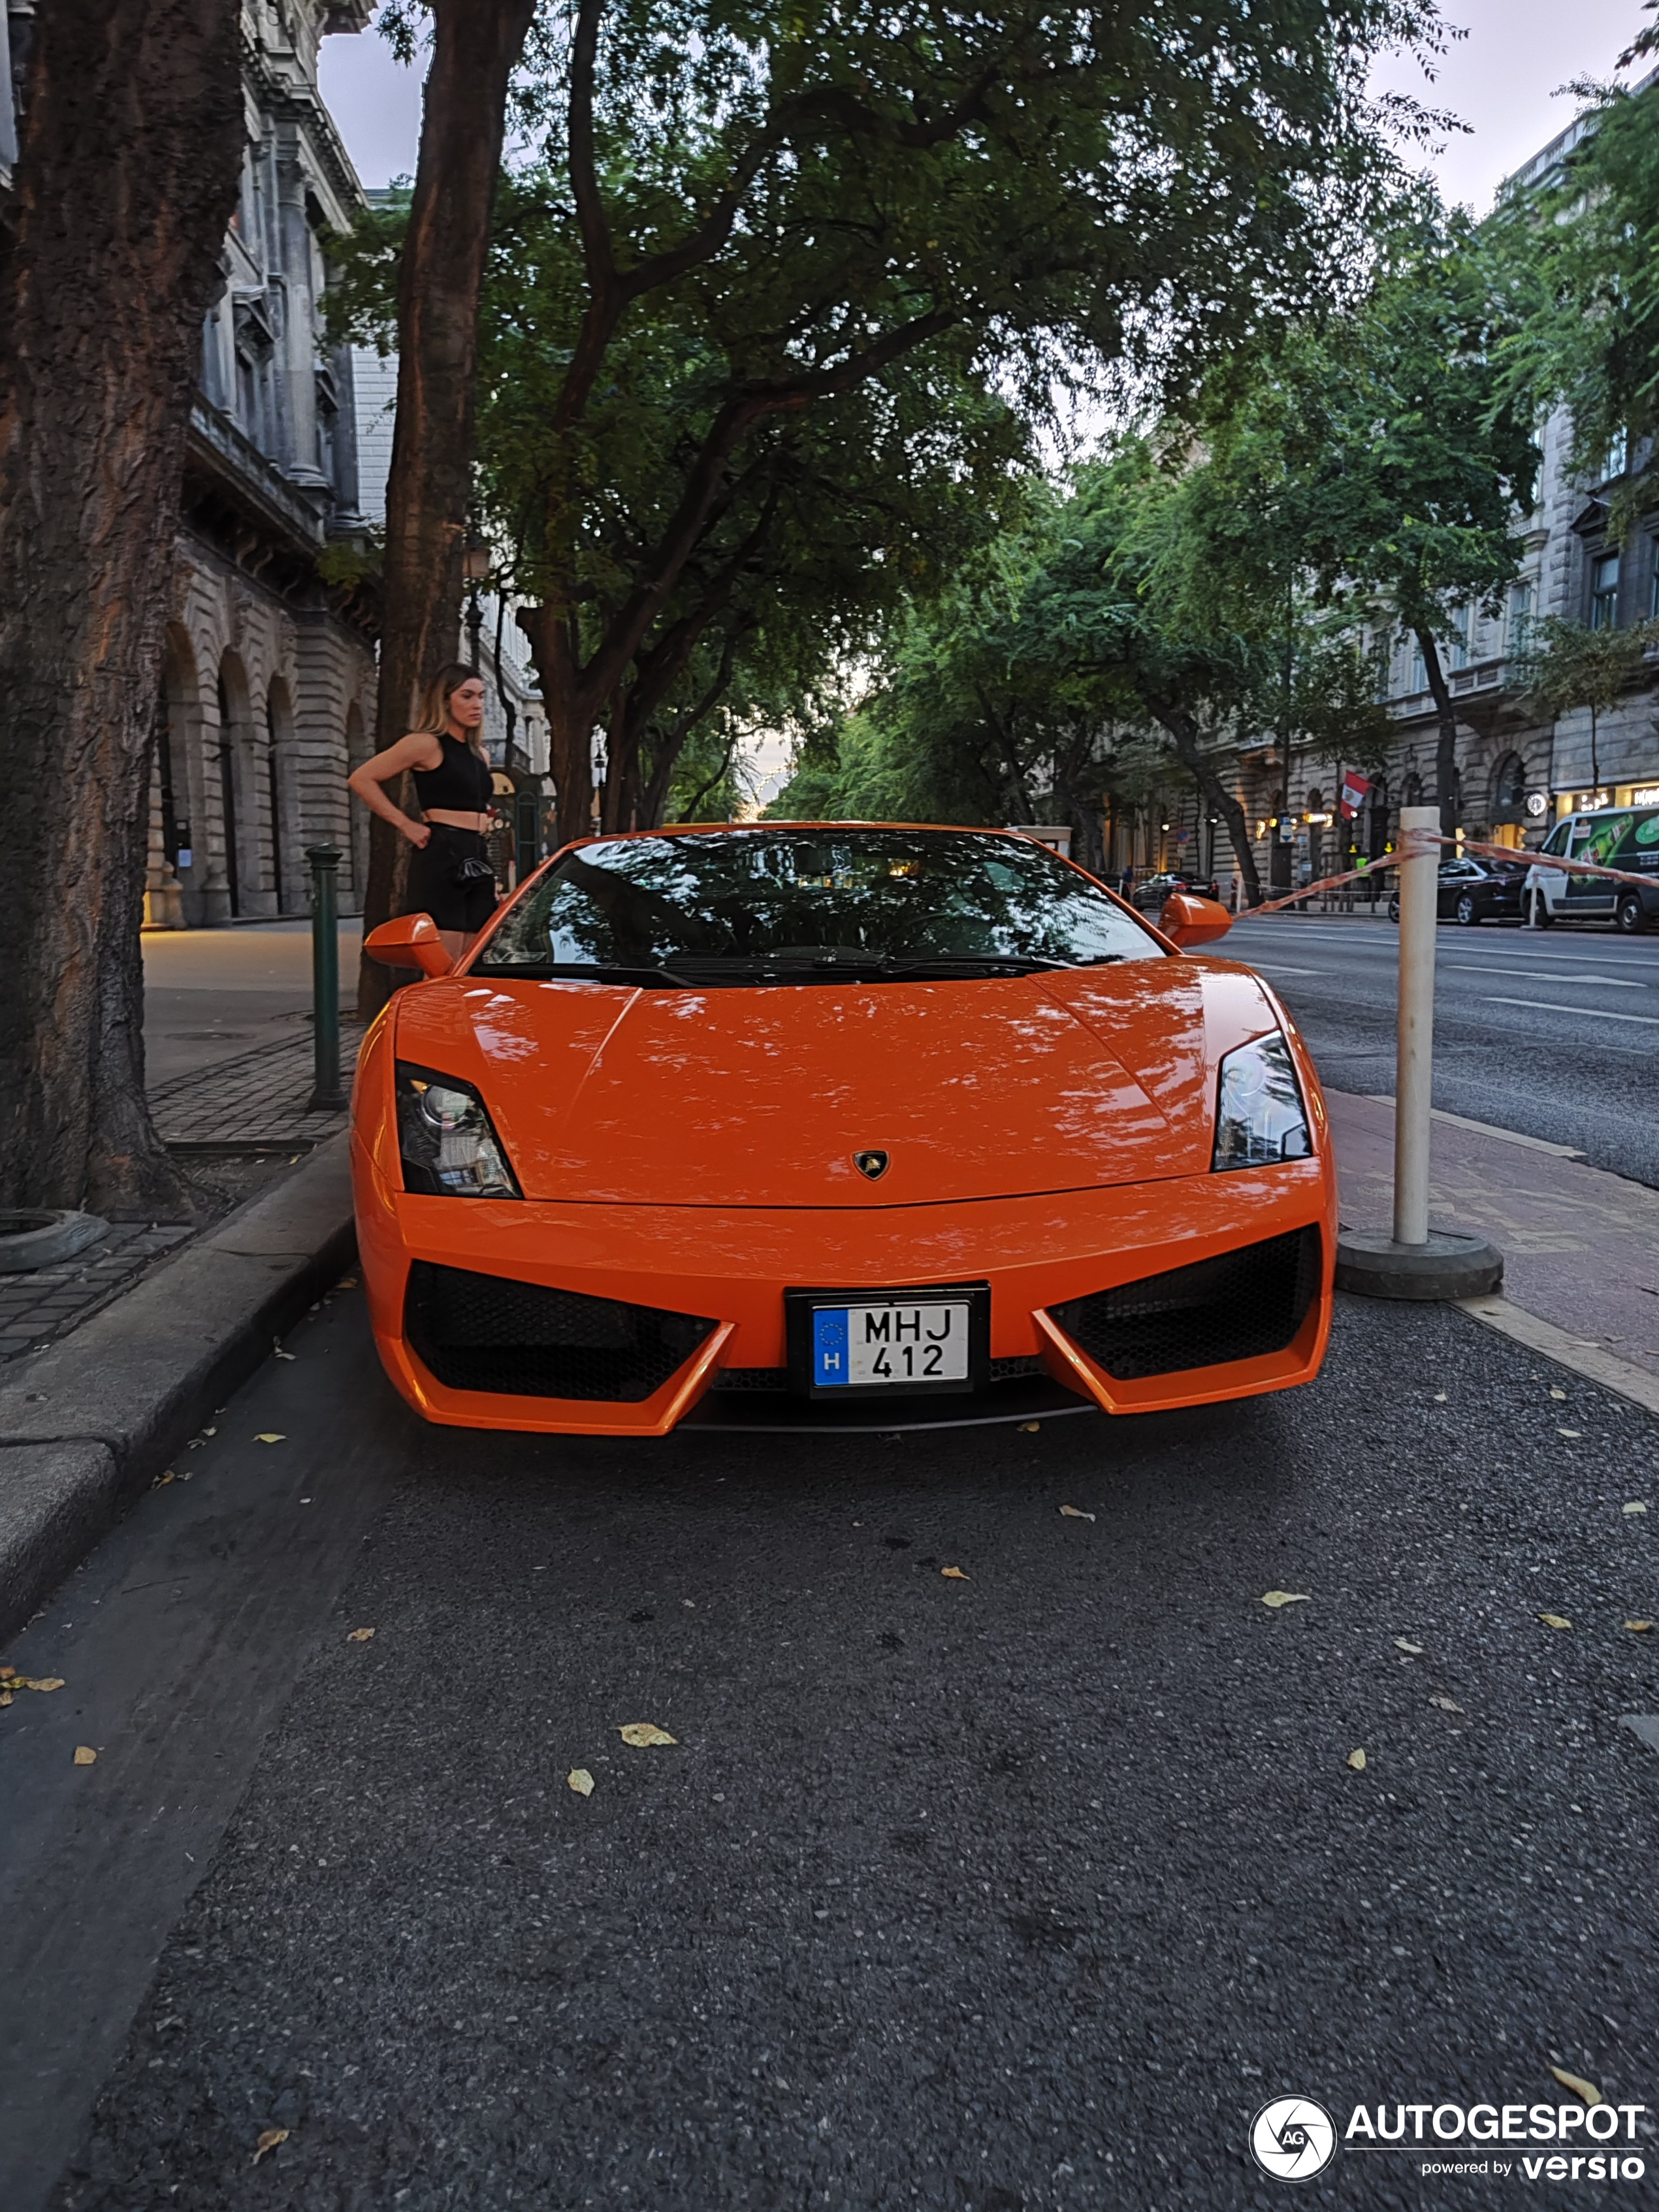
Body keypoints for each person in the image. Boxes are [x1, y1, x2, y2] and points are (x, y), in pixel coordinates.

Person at [347, 663, 499, 962]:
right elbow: (361, 779)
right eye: (467, 696)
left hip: (478, 853)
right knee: (444, 961)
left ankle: (459, 1010)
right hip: (444, 853)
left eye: (481, 696)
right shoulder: (425, 744)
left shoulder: (480, 754)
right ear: (444, 700)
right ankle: (435, 1009)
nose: (477, 705)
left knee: (474, 960)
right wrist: (406, 825)